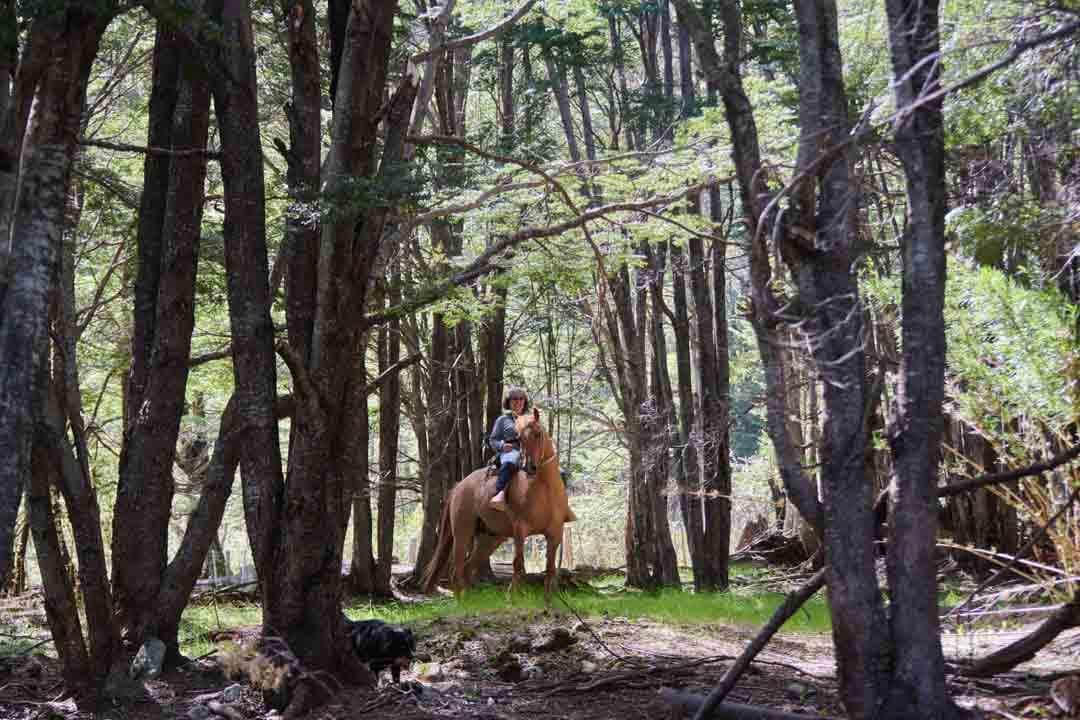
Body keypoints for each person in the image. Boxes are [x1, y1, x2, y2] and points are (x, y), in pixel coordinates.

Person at [488, 387, 529, 511]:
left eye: (521, 398)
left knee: (558, 470)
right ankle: (500, 494)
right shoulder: (502, 420)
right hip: (511, 450)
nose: (518, 401)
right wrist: (502, 446)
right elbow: (492, 440)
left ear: (525, 401)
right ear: (509, 402)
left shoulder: (530, 418)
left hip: (530, 451)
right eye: (515, 398)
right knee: (510, 461)